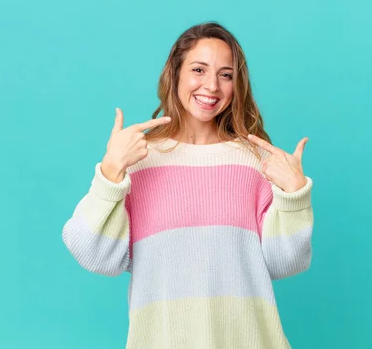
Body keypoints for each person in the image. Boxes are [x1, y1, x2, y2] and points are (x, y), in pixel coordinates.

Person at [62, 22, 314, 349]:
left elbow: (285, 263)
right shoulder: (138, 160)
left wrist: (293, 196)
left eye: (226, 75)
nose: (212, 85)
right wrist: (110, 171)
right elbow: (92, 254)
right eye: (198, 69)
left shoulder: (255, 161)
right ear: (175, 74)